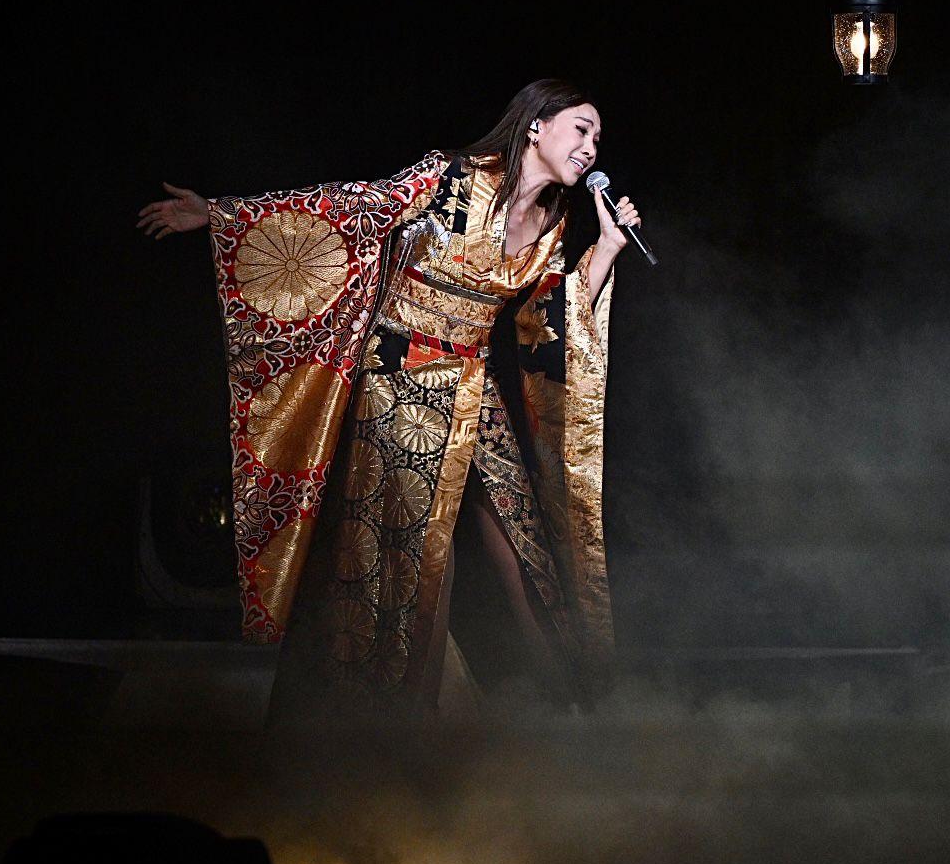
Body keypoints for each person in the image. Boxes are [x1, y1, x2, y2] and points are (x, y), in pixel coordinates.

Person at [136, 79, 641, 723]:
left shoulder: (553, 220)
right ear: (537, 125)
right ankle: (400, 731)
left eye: (598, 137)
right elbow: (347, 207)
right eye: (582, 128)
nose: (592, 146)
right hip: (399, 381)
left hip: (473, 385)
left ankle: (570, 714)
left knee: (524, 545)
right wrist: (219, 213)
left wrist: (609, 246)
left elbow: (547, 321)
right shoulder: (452, 177)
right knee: (421, 562)